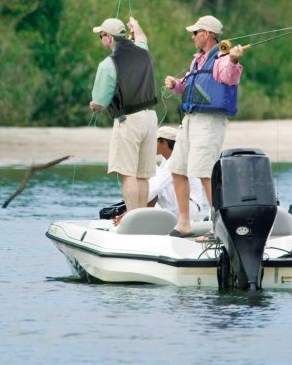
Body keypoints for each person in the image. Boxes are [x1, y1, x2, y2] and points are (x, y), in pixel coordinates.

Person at [164, 15, 248, 238]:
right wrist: (176, 85)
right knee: (177, 168)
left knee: (205, 172)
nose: (192, 36)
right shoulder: (197, 60)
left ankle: (220, 228)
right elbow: (191, 87)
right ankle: (184, 223)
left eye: (195, 32)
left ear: (207, 34)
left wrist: (234, 60)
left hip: (209, 122)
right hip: (191, 119)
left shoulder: (222, 58)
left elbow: (229, 76)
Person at [90, 17, 158, 211]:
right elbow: (142, 38)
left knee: (128, 174)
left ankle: (132, 217)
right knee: (142, 175)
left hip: (129, 121)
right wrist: (136, 25)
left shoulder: (108, 64)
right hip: (150, 119)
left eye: (101, 35)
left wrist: (93, 105)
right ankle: (142, 218)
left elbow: (99, 103)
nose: (101, 39)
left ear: (109, 38)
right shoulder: (143, 52)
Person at [147, 126, 209, 221]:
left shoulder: (174, 160)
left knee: (154, 183)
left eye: (153, 141)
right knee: (154, 178)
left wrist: (131, 208)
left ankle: (137, 217)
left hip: (190, 208)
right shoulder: (167, 160)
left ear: (164, 143)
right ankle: (139, 215)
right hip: (185, 206)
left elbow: (153, 189)